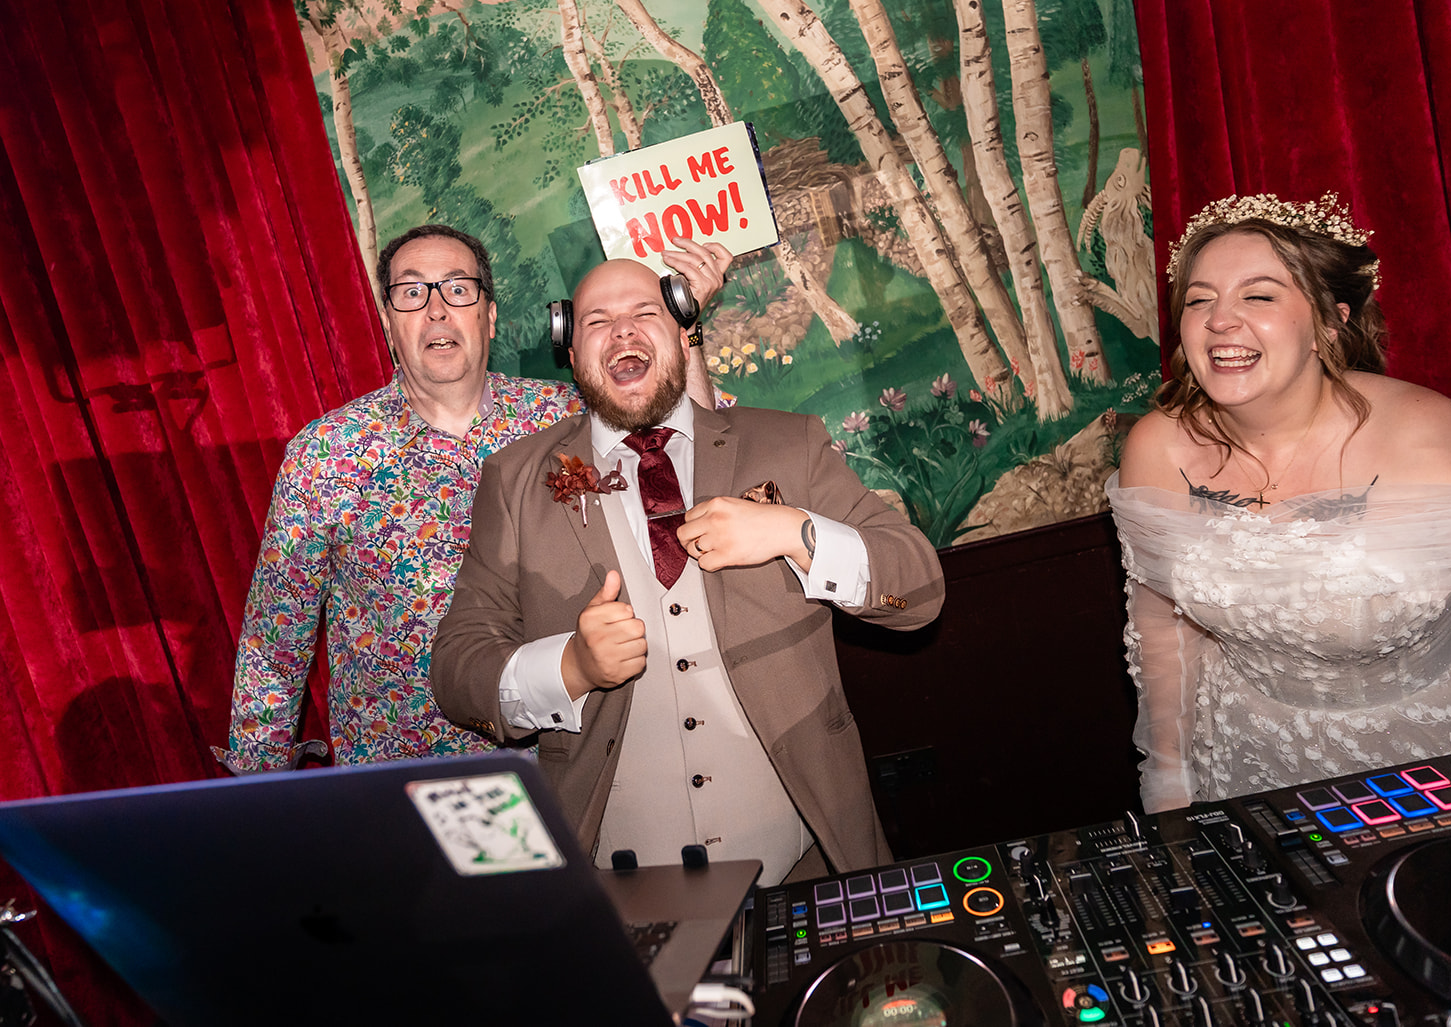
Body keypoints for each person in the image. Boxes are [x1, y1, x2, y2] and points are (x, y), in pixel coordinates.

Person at [430, 258, 945, 883]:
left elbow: (918, 590)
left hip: (811, 863)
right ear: (570, 352)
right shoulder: (515, 481)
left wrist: (795, 532)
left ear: (681, 333)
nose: (623, 332)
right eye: (598, 321)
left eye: (644, 312)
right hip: (619, 887)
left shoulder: (789, 443)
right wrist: (571, 668)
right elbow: (458, 668)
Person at [1107, 192, 1451, 813]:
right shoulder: (1157, 448)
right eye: (1199, 299)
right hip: (1244, 757)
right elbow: (1161, 626)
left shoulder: (1430, 438)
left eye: (1258, 295)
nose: (1219, 320)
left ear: (1330, 320)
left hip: (1438, 761)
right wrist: (1170, 774)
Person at [218, 224, 732, 771]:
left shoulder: (567, 417)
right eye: (412, 293)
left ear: (489, 316)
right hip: (414, 780)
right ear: (389, 324)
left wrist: (687, 330)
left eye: (458, 288)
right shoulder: (326, 456)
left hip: (580, 761)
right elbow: (275, 638)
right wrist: (259, 794)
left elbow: (701, 448)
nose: (436, 310)